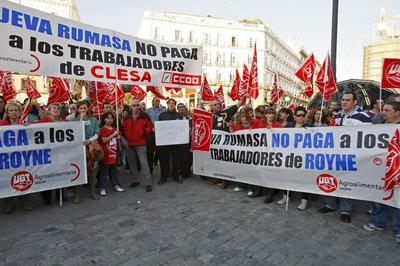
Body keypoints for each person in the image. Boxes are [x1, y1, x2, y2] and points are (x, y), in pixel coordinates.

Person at [319, 92, 371, 223]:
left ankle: (345, 210)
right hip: (335, 155)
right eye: (343, 100)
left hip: (351, 157)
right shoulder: (338, 116)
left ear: (355, 102)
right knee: (330, 178)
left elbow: (369, 138)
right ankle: (329, 204)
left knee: (346, 182)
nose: (344, 102)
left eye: (348, 100)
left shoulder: (364, 117)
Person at [362, 100, 400, 244]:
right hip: (380, 169)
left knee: (398, 200)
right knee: (379, 196)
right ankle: (377, 222)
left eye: (387, 110)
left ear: (397, 112)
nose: (383, 113)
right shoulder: (381, 127)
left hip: (397, 170)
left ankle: (398, 230)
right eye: (383, 110)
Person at [1, 101, 33, 213]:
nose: (14, 113)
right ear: (7, 113)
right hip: (8, 158)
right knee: (8, 178)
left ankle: (25, 199)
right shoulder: (3, 125)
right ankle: (9, 202)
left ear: (20, 112)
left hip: (23, 157)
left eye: (16, 110)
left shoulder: (24, 123)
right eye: (11, 111)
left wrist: (29, 127)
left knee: (24, 177)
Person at [211, 96, 247, 188]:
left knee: (224, 161)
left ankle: (225, 181)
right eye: (215, 104)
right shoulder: (209, 116)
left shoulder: (225, 112)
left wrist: (243, 98)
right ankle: (218, 177)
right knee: (216, 160)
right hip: (214, 142)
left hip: (224, 141)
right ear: (211, 107)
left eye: (219, 104)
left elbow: (238, 105)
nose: (218, 105)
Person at [35, 102, 66, 205]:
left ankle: (60, 194)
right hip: (48, 152)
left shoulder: (64, 122)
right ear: (49, 110)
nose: (56, 109)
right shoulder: (44, 121)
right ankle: (46, 197)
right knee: (48, 174)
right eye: (54, 108)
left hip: (60, 152)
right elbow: (33, 129)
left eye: (58, 108)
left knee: (61, 173)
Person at [70, 101, 101, 203]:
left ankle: (92, 192)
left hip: (91, 147)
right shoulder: (73, 120)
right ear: (78, 110)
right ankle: (77, 195)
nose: (83, 110)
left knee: (93, 171)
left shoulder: (93, 120)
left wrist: (90, 140)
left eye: (85, 108)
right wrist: (81, 120)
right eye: (81, 108)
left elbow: (97, 133)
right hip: (79, 148)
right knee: (78, 171)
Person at [123, 98, 154, 192]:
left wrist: (143, 132)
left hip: (141, 143)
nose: (136, 107)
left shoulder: (144, 116)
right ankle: (135, 180)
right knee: (132, 163)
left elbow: (150, 126)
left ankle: (148, 183)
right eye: (134, 105)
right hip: (130, 143)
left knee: (144, 163)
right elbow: (123, 128)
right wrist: (126, 136)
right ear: (130, 107)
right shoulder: (127, 117)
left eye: (137, 105)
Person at [253, 107, 283, 202]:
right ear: (265, 114)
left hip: (272, 152)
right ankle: (258, 190)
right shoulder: (259, 123)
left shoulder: (278, 125)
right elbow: (253, 133)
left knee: (271, 173)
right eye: (269, 113)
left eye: (273, 113)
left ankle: (270, 194)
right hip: (261, 151)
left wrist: (273, 131)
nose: (271, 115)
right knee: (259, 171)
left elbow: (282, 137)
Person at [158, 99, 184, 184]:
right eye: (170, 103)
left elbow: (181, 129)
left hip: (176, 142)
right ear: (167, 104)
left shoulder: (179, 115)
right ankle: (163, 177)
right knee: (164, 160)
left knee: (176, 160)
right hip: (165, 142)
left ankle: (176, 177)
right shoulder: (162, 115)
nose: (171, 105)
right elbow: (160, 128)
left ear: (175, 105)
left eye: (173, 103)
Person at [98, 111, 124, 196]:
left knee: (114, 171)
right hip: (106, 154)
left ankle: (116, 185)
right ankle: (102, 187)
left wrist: (119, 137)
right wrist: (113, 135)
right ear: (104, 119)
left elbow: (118, 137)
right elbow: (104, 140)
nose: (110, 120)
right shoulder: (102, 129)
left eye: (111, 118)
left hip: (114, 154)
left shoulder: (115, 129)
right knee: (104, 172)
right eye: (108, 118)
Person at [146, 97, 166, 172]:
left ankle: (163, 170)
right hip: (152, 134)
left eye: (158, 101)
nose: (158, 102)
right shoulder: (148, 111)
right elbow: (146, 121)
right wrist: (150, 128)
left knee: (161, 152)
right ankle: (150, 169)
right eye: (156, 101)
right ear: (153, 102)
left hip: (161, 134)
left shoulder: (163, 110)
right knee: (150, 152)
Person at [177, 103, 193, 179]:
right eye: (180, 107)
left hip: (188, 139)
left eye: (183, 107)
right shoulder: (176, 117)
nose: (182, 108)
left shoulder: (189, 117)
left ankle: (187, 171)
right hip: (179, 140)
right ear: (178, 109)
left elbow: (192, 125)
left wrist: (190, 128)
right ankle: (181, 171)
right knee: (180, 157)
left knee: (188, 156)